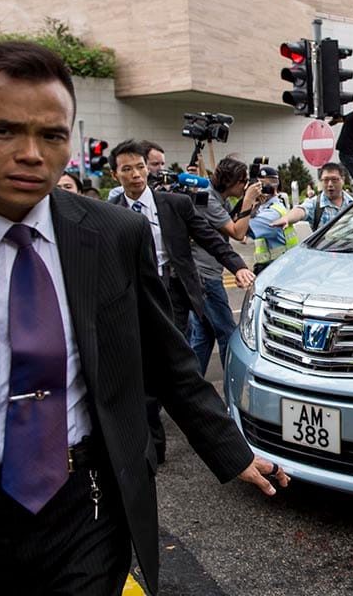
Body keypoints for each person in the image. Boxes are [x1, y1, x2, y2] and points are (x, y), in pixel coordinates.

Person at [0, 41, 288, 594]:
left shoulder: (113, 235)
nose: (30, 154)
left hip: (85, 505)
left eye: (51, 136)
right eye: (3, 131)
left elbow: (167, 362)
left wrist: (231, 452)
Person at [109, 139, 255, 463]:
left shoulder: (175, 204)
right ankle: (153, 448)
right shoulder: (111, 213)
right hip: (131, 296)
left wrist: (239, 266)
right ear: (115, 175)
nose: (136, 174)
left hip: (171, 291)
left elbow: (210, 237)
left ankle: (219, 437)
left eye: (140, 167)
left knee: (176, 364)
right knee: (143, 369)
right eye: (127, 169)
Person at [189, 156, 264, 374]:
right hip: (205, 276)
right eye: (243, 182)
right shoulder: (207, 199)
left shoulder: (218, 198)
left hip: (203, 273)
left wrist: (249, 204)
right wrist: (248, 200)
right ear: (230, 181)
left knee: (203, 336)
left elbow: (235, 225)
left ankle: (192, 388)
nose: (244, 186)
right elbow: (238, 233)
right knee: (227, 333)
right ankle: (232, 385)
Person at [270, 162, 353, 232]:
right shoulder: (315, 204)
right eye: (325, 180)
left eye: (334, 180)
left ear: (343, 180)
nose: (330, 184)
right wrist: (287, 218)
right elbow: (300, 210)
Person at [248, 167, 299, 275]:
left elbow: (240, 230)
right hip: (274, 267)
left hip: (277, 269)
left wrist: (247, 200)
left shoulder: (272, 213)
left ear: (273, 187)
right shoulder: (262, 207)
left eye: (261, 185)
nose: (257, 189)